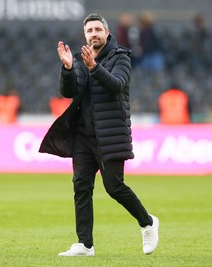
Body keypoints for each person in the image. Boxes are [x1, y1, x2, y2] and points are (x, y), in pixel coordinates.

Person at [39, 13, 159, 257]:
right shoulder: (80, 58)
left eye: (97, 29)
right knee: (81, 186)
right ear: (85, 35)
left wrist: (94, 67)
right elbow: (69, 92)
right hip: (83, 136)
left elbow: (116, 85)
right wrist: (68, 68)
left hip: (109, 134)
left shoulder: (121, 57)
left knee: (114, 187)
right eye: (89, 31)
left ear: (107, 32)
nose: (93, 34)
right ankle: (85, 244)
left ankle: (147, 223)